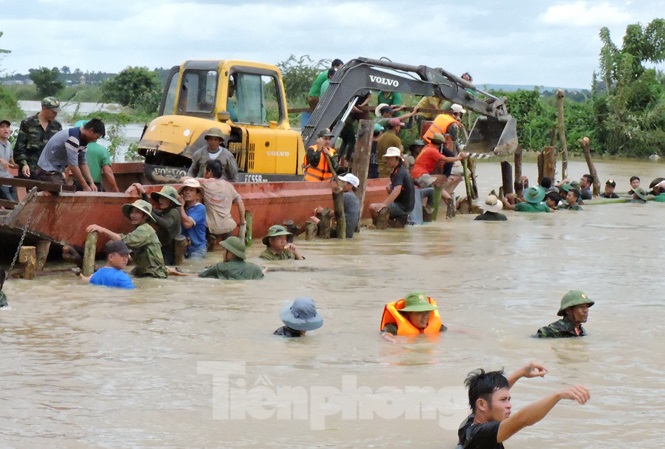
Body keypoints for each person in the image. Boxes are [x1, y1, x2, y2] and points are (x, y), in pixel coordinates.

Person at [457, 362, 590, 449]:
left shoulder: (468, 424)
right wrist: (558, 395)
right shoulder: (481, 434)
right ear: (481, 404)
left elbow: (490, 394)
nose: (509, 405)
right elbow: (522, 419)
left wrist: (520, 373)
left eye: (509, 399)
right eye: (504, 400)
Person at [86, 199, 167, 279]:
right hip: (143, 273)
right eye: (132, 212)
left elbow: (124, 240)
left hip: (153, 275)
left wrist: (102, 230)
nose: (133, 215)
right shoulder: (140, 230)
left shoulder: (145, 229)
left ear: (145, 216)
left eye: (137, 212)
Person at [36, 118, 105, 191]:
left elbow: (83, 163)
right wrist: (84, 186)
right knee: (64, 193)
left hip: (57, 170)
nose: (95, 140)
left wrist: (91, 183)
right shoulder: (73, 138)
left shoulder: (83, 140)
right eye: (96, 137)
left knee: (65, 192)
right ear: (91, 131)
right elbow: (73, 166)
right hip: (47, 169)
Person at [191, 159, 246, 245]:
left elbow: (185, 179)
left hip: (211, 229)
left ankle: (210, 241)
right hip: (228, 227)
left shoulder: (204, 183)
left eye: (205, 169)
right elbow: (240, 202)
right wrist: (242, 222)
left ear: (209, 172)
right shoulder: (229, 185)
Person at [411, 133, 466, 216]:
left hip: (417, 174)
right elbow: (446, 159)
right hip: (419, 175)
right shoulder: (433, 151)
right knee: (436, 184)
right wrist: (460, 158)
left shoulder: (428, 147)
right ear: (441, 144)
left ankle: (448, 202)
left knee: (437, 183)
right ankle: (447, 201)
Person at [14, 96, 63, 179]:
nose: (56, 114)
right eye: (53, 111)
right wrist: (24, 164)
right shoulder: (28, 123)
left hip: (50, 172)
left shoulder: (57, 126)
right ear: (44, 108)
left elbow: (60, 150)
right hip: (30, 171)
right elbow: (19, 148)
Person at [369, 147, 415, 226]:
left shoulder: (399, 172)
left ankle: (381, 226)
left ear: (397, 159)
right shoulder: (398, 170)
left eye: (391, 159)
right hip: (405, 205)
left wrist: (384, 204)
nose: (388, 161)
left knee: (372, 207)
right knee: (388, 188)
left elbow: (397, 190)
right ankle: (389, 224)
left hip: (403, 207)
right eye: (387, 159)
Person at [72, 120, 119, 192]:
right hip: (95, 186)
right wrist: (116, 189)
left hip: (77, 185)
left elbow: (68, 167)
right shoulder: (102, 150)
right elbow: (107, 171)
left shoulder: (75, 147)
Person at [380, 292, 447, 342]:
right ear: (407, 313)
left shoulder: (431, 324)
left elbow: (447, 330)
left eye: (427, 312)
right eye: (420, 312)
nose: (425, 317)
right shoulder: (393, 327)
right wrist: (393, 339)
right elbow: (385, 334)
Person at [198, 236, 264, 280]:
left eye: (224, 249)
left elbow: (197, 276)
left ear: (232, 253)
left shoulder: (220, 267)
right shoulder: (255, 268)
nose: (223, 253)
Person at [149, 185, 183, 265]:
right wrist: (144, 194)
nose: (161, 200)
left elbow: (166, 224)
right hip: (164, 248)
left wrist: (150, 213)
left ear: (171, 201)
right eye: (160, 198)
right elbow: (153, 211)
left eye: (164, 198)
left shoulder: (173, 212)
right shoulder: (166, 211)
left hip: (169, 251)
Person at [178, 178, 207, 259]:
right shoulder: (183, 208)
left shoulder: (200, 208)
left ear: (197, 194)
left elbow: (187, 224)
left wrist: (181, 207)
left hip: (197, 250)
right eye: (186, 190)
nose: (187, 192)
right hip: (184, 248)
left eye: (191, 190)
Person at [336, 173, 361, 238]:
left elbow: (336, 213)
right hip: (349, 232)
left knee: (315, 221)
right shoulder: (355, 198)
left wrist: (322, 211)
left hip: (342, 232)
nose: (341, 183)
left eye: (344, 182)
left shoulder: (345, 196)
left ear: (351, 185)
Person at [0, 119, 18, 202]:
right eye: (2, 127)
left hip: (9, 179)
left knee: (18, 203)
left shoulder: (9, 144)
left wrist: (19, 165)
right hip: (1, 180)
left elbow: (11, 161)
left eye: (7, 127)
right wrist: (1, 160)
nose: (5, 129)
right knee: (13, 205)